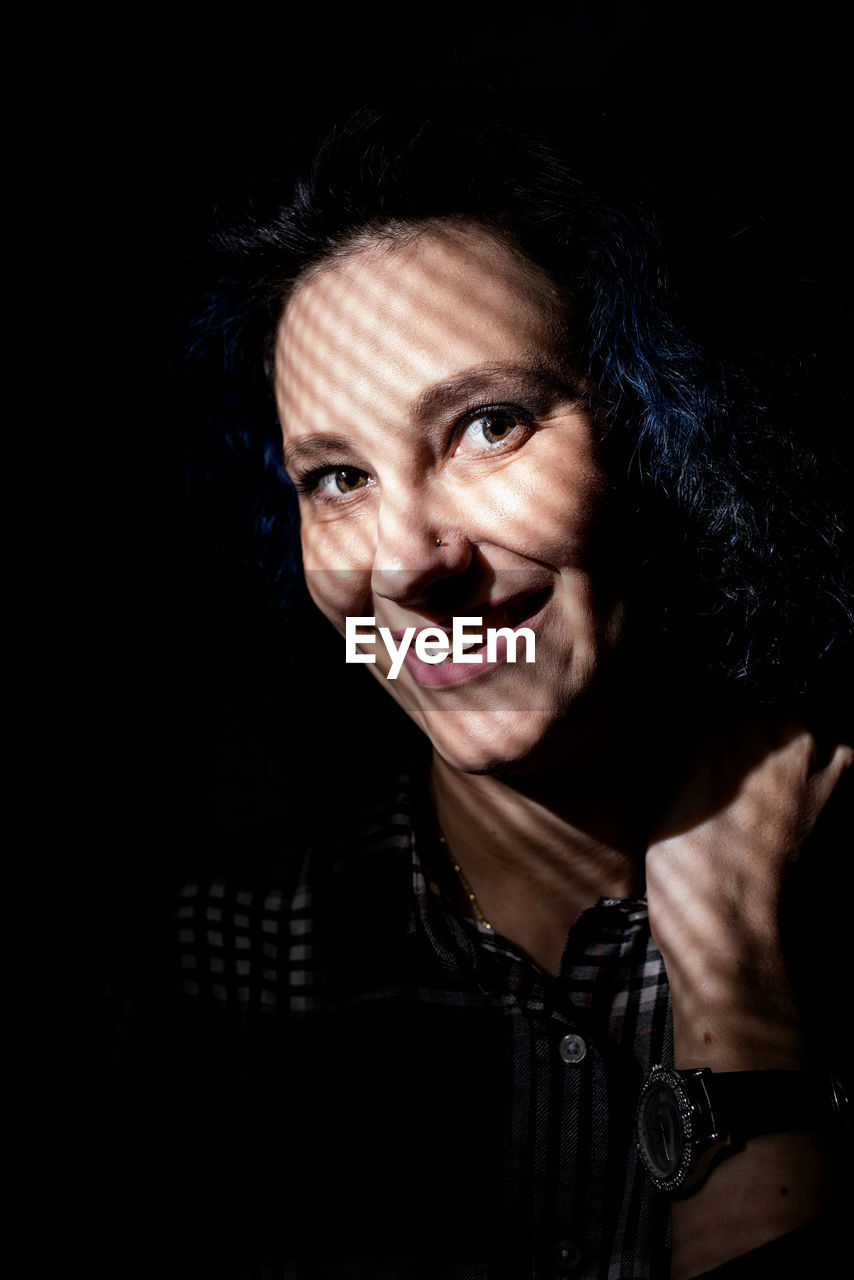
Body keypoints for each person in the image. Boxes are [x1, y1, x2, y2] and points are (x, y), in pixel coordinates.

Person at [157, 106, 852, 1279]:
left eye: (488, 425)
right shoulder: (205, 969)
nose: (402, 560)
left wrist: (733, 980)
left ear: (660, 438)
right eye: (334, 478)